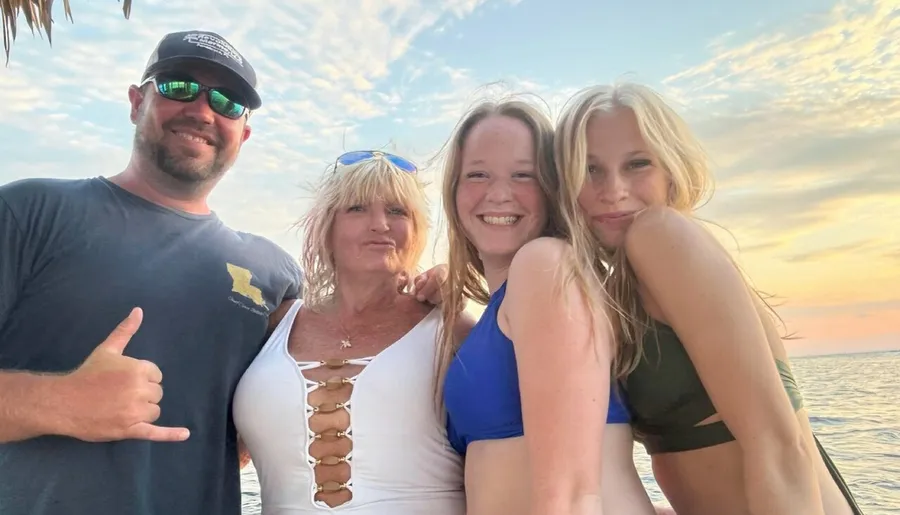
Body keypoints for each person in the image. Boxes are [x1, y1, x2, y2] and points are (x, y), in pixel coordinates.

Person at [0, 29, 307, 515]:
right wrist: (58, 400)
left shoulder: (276, 275)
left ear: (244, 135)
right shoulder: (27, 212)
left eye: (228, 102)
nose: (203, 110)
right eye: (179, 86)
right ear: (136, 101)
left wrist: (428, 293)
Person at [554, 82, 864, 515]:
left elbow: (779, 445)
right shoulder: (620, 287)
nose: (614, 189)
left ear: (672, 170)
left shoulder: (659, 235)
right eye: (590, 169)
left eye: (637, 164)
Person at [434, 99, 659, 515]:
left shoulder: (546, 264)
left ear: (552, 189)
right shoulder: (502, 309)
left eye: (523, 175)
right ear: (454, 191)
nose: (498, 194)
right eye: (478, 174)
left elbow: (572, 494)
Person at [233, 150, 475, 514]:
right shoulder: (274, 325)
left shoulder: (451, 329)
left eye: (397, 211)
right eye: (357, 208)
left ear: (417, 230)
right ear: (326, 227)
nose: (380, 224)